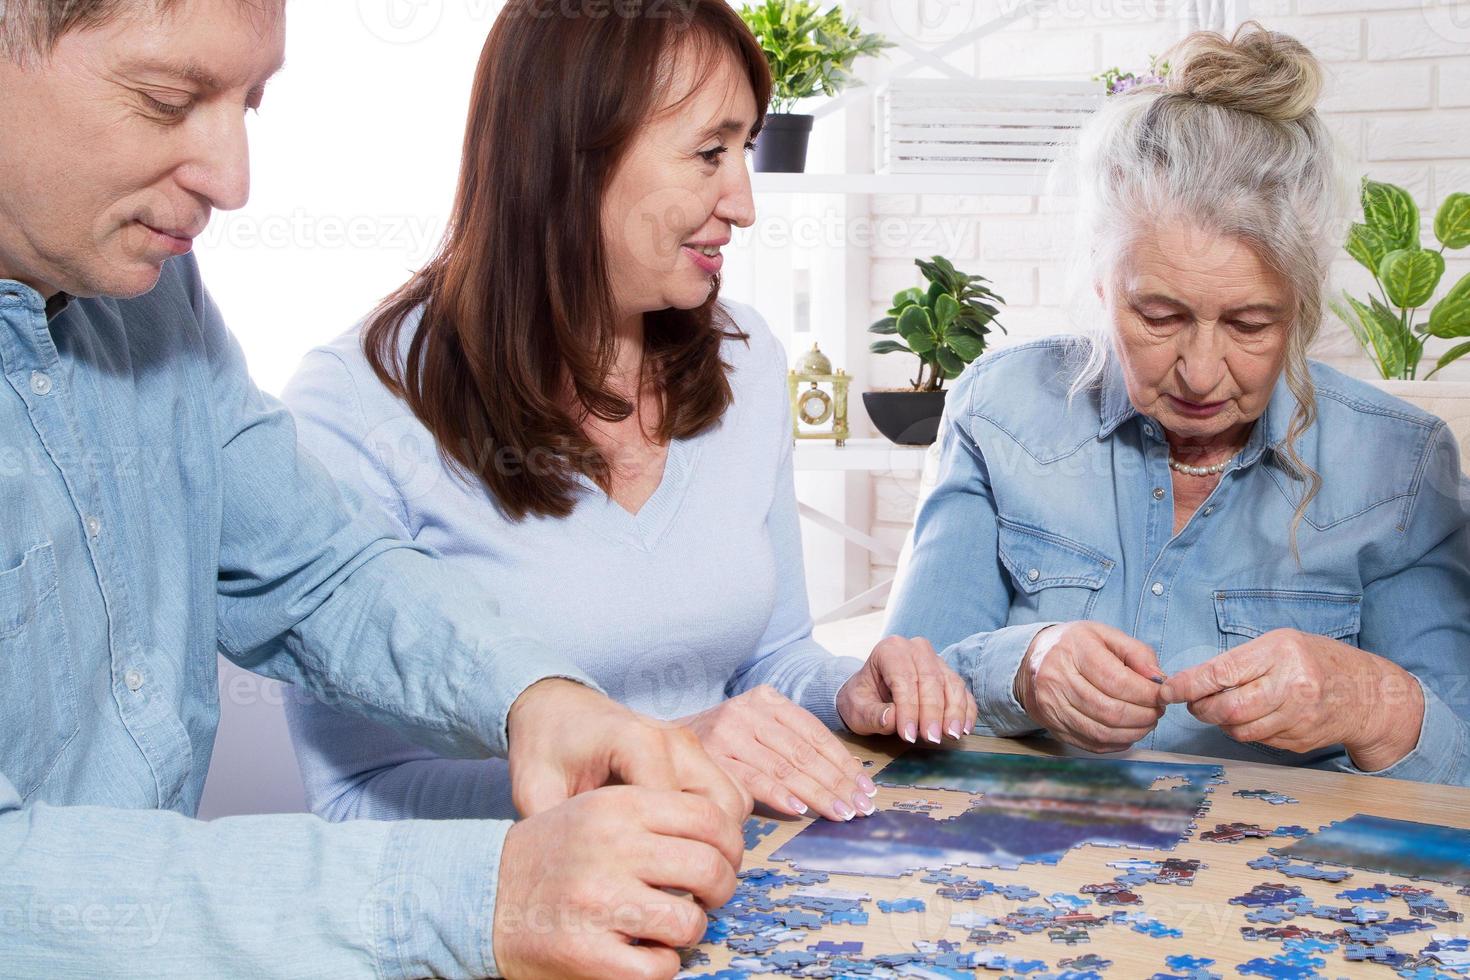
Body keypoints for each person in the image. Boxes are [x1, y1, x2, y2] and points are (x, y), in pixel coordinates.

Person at [0, 2, 755, 977]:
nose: (233, 181)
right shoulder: (363, 376)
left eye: (250, 105)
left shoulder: (149, 300)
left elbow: (316, 570)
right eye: (167, 100)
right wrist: (485, 891)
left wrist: (536, 697)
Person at [282, 0, 977, 830]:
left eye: (745, 149)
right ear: (571, 157)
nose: (744, 202)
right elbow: (361, 800)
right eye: (710, 152)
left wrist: (850, 693)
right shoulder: (355, 405)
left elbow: (771, 660)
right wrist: (653, 764)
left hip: (738, 887)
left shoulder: (745, 357)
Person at [886, 23, 1470, 786]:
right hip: (1018, 860)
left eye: (1248, 324)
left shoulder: (1398, 462)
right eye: (1158, 317)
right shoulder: (998, 410)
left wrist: (1374, 703)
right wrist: (1022, 668)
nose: (1200, 373)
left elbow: (1458, 766)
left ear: (1301, 305)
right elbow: (900, 689)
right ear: (1102, 286)